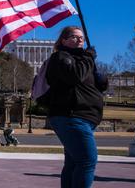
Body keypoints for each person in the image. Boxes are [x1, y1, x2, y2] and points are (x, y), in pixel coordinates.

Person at [46, 26, 108, 188]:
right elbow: (74, 76)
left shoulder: (82, 60)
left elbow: (97, 86)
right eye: (74, 36)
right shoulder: (60, 57)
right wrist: (88, 57)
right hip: (71, 116)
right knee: (87, 160)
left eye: (81, 37)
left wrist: (98, 76)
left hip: (84, 118)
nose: (80, 39)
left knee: (74, 163)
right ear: (64, 40)